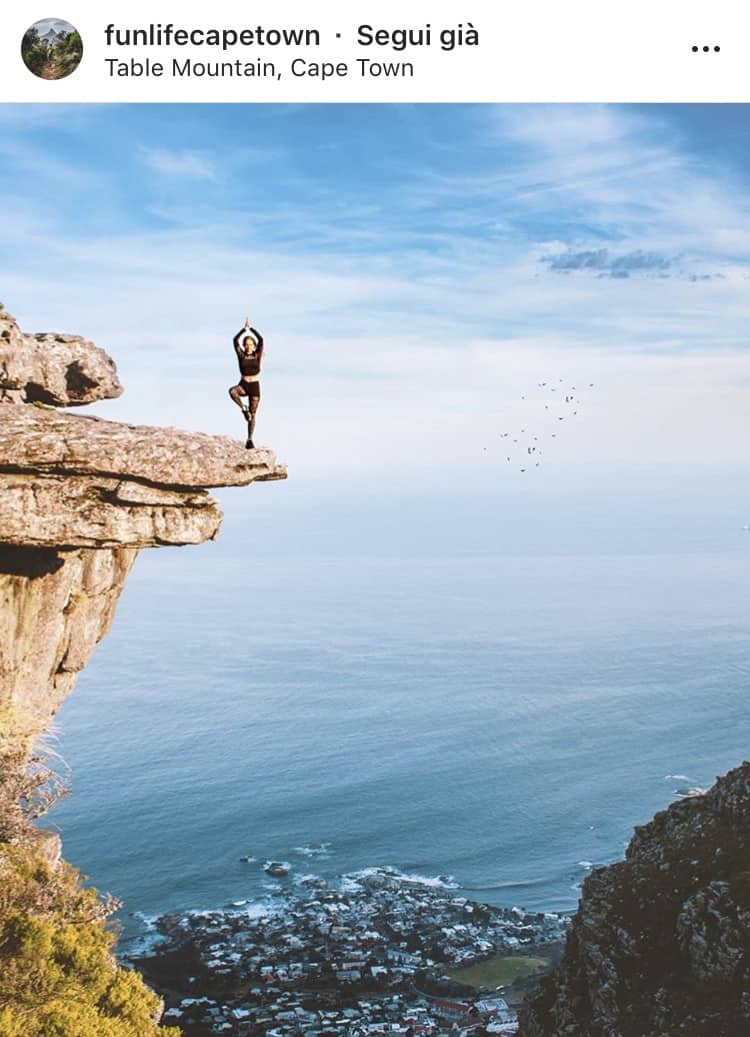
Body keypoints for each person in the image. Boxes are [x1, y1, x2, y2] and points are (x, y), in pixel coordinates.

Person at [229, 317, 264, 449]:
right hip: (243, 384)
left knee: (253, 415)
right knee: (232, 392)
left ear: (254, 346)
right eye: (246, 344)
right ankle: (243, 408)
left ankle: (249, 439)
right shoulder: (241, 355)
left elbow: (261, 340)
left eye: (251, 344)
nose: (248, 346)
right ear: (244, 346)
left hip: (254, 386)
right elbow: (234, 340)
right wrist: (244, 330)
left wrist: (252, 329)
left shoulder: (257, 355)